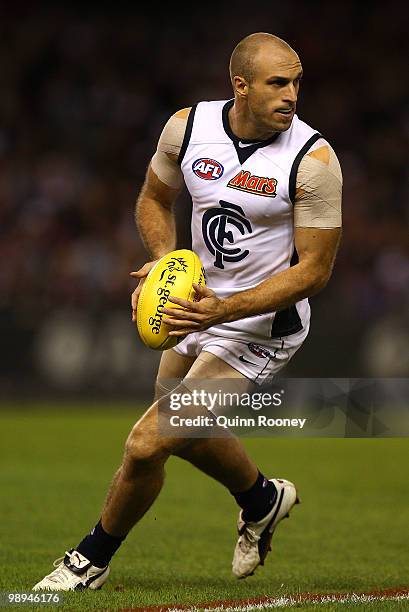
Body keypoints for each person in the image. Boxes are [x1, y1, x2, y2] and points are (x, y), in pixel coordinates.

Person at [33, 32, 342, 591]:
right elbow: (155, 198)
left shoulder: (314, 159)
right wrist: (162, 264)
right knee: (185, 434)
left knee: (148, 441)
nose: (292, 94)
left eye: (297, 82)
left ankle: (89, 559)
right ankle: (263, 500)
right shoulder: (188, 128)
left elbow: (314, 272)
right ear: (240, 85)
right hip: (192, 306)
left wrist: (223, 309)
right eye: (278, 82)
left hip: (259, 325)